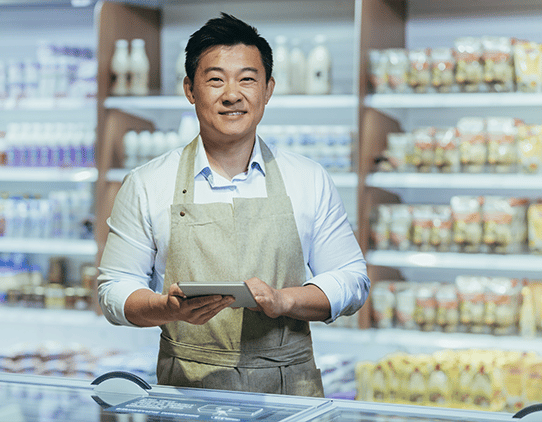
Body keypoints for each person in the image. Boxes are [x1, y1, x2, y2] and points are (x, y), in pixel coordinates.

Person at [97, 13, 370, 397]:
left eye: (247, 79)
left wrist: (284, 299)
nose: (232, 94)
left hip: (288, 394)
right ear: (190, 89)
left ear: (268, 89)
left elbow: (353, 279)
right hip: (188, 394)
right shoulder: (146, 183)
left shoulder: (308, 178)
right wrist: (168, 308)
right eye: (215, 79)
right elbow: (114, 290)